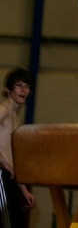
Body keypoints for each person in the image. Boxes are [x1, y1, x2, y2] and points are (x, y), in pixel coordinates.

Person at [0, 68, 36, 227]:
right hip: (1, 174)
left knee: (17, 222)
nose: (23, 90)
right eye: (19, 85)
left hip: (10, 178)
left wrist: (23, 189)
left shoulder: (17, 119)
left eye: (27, 86)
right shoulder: (3, 111)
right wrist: (3, 162)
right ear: (8, 89)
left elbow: (14, 156)